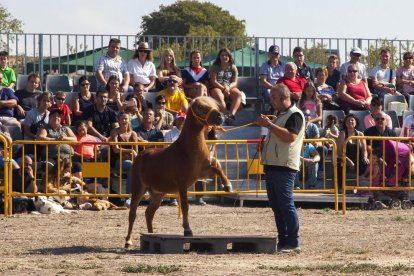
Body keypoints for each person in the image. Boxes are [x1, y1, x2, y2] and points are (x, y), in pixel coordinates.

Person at [256, 84, 305, 253]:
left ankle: (293, 242)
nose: (272, 101)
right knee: (276, 205)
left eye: (274, 98)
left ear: (285, 97)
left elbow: (290, 136)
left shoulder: (295, 115)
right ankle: (283, 240)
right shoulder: (280, 114)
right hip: (272, 165)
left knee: (285, 204)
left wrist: (269, 125)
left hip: (284, 166)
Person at [109, 112, 140, 199]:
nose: (124, 120)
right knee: (131, 165)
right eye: (122, 119)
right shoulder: (114, 131)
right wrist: (130, 151)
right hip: (117, 161)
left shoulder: (133, 133)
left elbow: (136, 152)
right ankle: (129, 197)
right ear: (118, 120)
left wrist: (130, 153)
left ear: (129, 120)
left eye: (126, 119)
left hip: (129, 159)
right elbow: (116, 149)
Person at [209, 47, 243, 125]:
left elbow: (234, 82)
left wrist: (228, 88)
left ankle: (231, 115)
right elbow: (213, 81)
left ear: (229, 57)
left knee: (238, 94)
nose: (224, 57)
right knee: (219, 96)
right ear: (219, 57)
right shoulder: (215, 66)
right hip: (217, 87)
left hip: (229, 87)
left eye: (226, 55)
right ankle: (224, 115)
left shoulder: (233, 67)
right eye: (222, 55)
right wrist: (224, 89)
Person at [164, 111, 186, 206]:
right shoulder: (169, 134)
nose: (181, 122)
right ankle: (173, 198)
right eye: (179, 119)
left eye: (183, 120)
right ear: (175, 121)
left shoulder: (190, 133)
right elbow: (166, 148)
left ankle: (199, 196)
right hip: (173, 159)